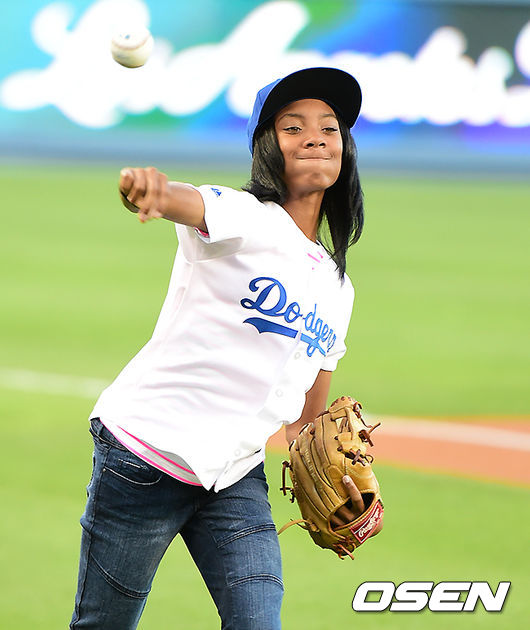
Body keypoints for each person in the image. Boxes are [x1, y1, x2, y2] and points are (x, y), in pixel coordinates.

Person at [69, 66, 381, 630]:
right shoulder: (244, 216)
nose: (314, 137)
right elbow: (187, 201)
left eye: (329, 128)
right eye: (293, 127)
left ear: (345, 149)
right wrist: (150, 190)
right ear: (267, 148)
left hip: (234, 477)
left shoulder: (340, 290)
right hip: (146, 457)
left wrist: (341, 484)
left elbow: (306, 424)